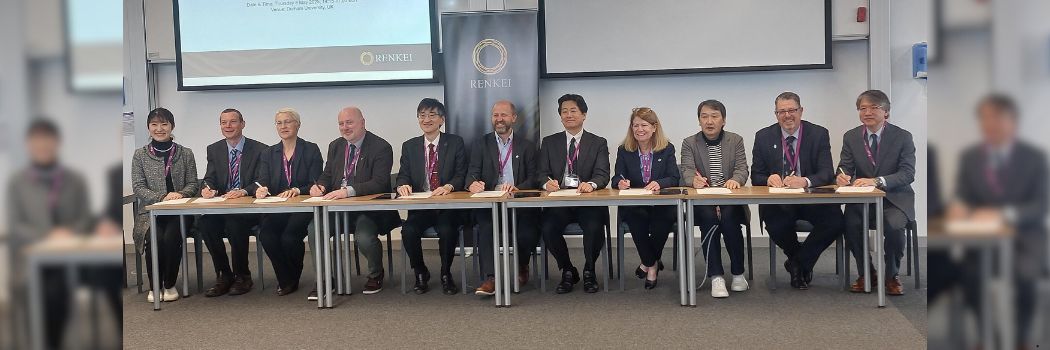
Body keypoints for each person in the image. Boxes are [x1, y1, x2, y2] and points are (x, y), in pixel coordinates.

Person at [947, 94, 1047, 347]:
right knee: (969, 277)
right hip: (982, 238)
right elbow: (962, 194)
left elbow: (1041, 204)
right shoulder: (970, 157)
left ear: (1013, 121)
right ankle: (987, 334)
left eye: (997, 118)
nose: (990, 124)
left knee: (1025, 277)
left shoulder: (1033, 157)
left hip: (1024, 237)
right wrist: (960, 208)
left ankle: (1021, 337)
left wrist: (1005, 214)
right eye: (985, 118)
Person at [6, 119, 95, 349]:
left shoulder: (74, 179)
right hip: (29, 259)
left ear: (57, 143)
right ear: (28, 144)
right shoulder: (18, 182)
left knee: (57, 293)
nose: (42, 146)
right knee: (37, 293)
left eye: (47, 140)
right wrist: (47, 235)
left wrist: (69, 232)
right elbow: (15, 225)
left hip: (70, 256)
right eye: (37, 141)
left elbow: (85, 219)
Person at [750, 92, 843, 290]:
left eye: (792, 110)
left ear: (801, 111)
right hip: (781, 201)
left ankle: (797, 263)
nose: (787, 115)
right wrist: (768, 178)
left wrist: (805, 180)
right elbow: (755, 175)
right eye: (781, 111)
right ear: (776, 114)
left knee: (835, 220)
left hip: (811, 198)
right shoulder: (763, 136)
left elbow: (827, 173)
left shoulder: (818, 133)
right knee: (774, 222)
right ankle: (800, 262)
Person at [310, 106, 401, 297]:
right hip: (337, 209)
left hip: (367, 209)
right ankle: (327, 279)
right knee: (314, 229)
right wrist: (319, 186)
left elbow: (379, 182)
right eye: (341, 124)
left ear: (362, 123)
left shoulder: (381, 147)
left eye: (349, 122)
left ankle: (376, 274)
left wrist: (348, 192)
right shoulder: (336, 146)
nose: (345, 127)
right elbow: (327, 175)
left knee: (364, 237)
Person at [835, 90, 916, 296]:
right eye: (863, 108)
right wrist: (842, 177)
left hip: (894, 199)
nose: (867, 112)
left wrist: (878, 181)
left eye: (874, 108)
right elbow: (845, 167)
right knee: (850, 224)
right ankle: (866, 273)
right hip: (864, 200)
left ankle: (891, 275)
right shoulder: (851, 137)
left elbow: (907, 174)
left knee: (895, 226)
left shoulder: (903, 137)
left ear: (886, 112)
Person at [537, 93, 611, 294]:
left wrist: (592, 185)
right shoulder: (549, 142)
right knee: (547, 226)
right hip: (559, 202)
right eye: (564, 111)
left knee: (594, 226)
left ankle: (589, 270)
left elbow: (603, 174)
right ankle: (568, 269)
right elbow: (541, 173)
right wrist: (546, 184)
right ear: (560, 116)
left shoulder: (598, 142)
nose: (568, 115)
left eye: (573, 111)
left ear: (584, 115)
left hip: (588, 202)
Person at [467, 100, 541, 296]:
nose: (499, 119)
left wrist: (518, 188)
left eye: (504, 115)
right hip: (491, 204)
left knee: (527, 231)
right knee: (486, 228)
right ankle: (491, 278)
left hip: (518, 203)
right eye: (495, 115)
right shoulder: (480, 144)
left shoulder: (526, 146)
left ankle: (522, 266)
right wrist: (472, 183)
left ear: (514, 118)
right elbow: (471, 174)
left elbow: (534, 177)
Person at [396, 98, 467, 295]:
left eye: (432, 115)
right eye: (422, 115)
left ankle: (446, 273)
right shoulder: (409, 146)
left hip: (447, 204)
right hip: (422, 206)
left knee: (447, 229)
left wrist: (449, 186)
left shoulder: (454, 142)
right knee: (408, 230)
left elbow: (462, 174)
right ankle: (420, 272)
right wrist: (402, 185)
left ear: (442, 120)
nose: (426, 119)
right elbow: (403, 174)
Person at [679, 100, 750, 298]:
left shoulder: (735, 140)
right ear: (699, 121)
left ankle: (738, 273)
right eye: (704, 116)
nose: (709, 121)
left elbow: (742, 169)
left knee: (729, 219)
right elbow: (686, 170)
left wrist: (736, 180)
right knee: (709, 218)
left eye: (714, 116)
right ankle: (716, 276)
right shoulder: (690, 143)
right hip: (704, 199)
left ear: (723, 120)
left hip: (729, 198)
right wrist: (693, 180)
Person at [131, 108, 200, 301]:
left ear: (172, 126)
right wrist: (162, 197)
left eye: (164, 124)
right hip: (150, 213)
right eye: (154, 124)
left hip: (179, 211)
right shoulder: (140, 155)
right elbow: (138, 186)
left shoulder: (185, 153)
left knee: (171, 238)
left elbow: (193, 183)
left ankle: (169, 284)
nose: (159, 129)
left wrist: (179, 194)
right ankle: (154, 286)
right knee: (155, 239)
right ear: (148, 127)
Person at [198, 108, 268, 297]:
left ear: (242, 124)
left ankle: (243, 275)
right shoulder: (214, 149)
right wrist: (208, 188)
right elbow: (209, 178)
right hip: (223, 205)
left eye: (233, 122)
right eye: (224, 122)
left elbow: (263, 180)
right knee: (205, 223)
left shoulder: (260, 149)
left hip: (248, 208)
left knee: (234, 223)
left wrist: (243, 191)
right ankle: (224, 275)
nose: (228, 126)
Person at [254, 108, 323, 296]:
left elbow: (317, 182)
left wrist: (298, 190)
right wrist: (261, 189)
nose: (283, 126)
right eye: (279, 123)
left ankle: (292, 278)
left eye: (288, 121)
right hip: (278, 207)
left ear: (297, 125)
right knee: (267, 235)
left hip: (302, 206)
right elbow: (263, 181)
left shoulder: (311, 149)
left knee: (289, 237)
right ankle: (286, 278)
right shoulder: (269, 153)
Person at [613, 107, 680, 290]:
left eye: (644, 125)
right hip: (636, 203)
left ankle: (646, 264)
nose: (639, 129)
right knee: (636, 219)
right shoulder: (624, 150)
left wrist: (659, 183)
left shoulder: (666, 148)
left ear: (654, 127)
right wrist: (620, 183)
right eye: (635, 125)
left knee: (663, 220)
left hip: (661, 203)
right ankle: (653, 264)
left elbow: (674, 177)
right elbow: (616, 178)